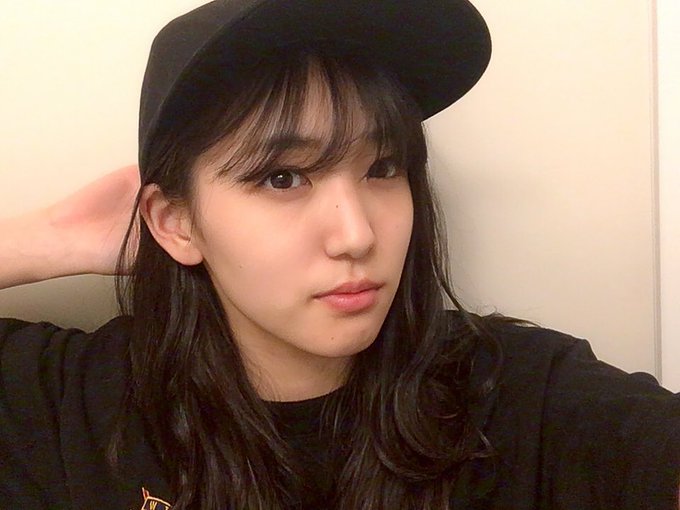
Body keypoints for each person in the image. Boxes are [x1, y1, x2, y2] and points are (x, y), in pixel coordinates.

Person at [0, 1, 678, 509]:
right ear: (175, 222)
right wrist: (52, 236)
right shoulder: (75, 408)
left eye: (383, 168)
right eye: (282, 178)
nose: (356, 235)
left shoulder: (521, 401)